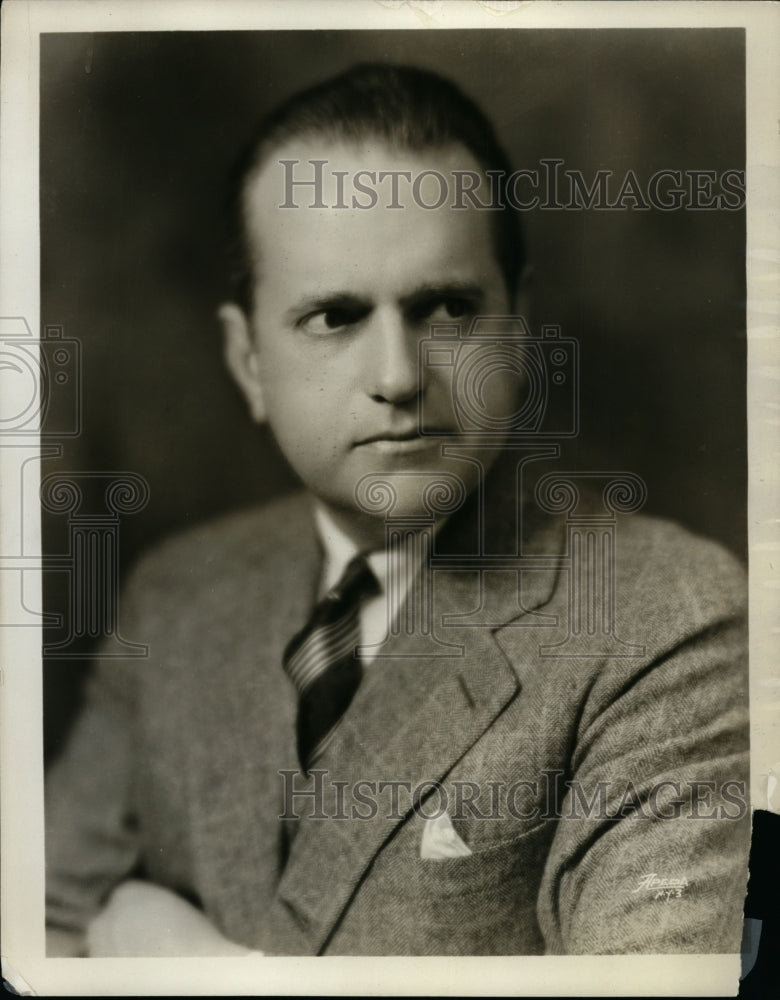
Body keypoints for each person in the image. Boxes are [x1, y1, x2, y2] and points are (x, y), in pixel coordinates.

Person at [45, 63, 749, 957]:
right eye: (334, 317)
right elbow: (37, 934)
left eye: (446, 307)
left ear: (517, 323)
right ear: (249, 361)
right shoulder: (178, 596)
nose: (397, 376)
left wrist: (207, 971)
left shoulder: (670, 616)